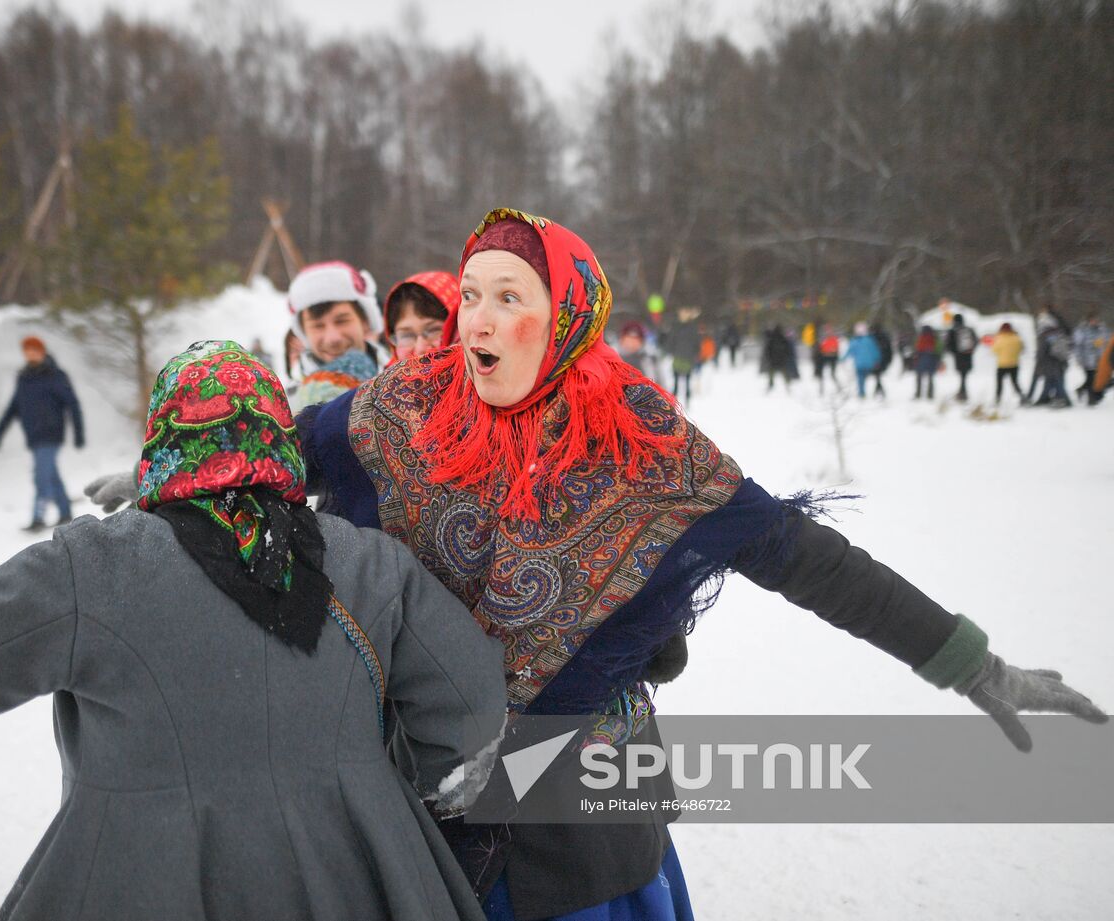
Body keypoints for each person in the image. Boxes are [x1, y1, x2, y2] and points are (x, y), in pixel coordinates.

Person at [85, 209, 1105, 920]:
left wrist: (969, 661)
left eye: (508, 296)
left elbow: (807, 559)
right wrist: (175, 484)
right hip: (417, 794)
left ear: (567, 312)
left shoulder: (648, 449)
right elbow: (271, 455)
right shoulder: (397, 408)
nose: (475, 321)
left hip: (580, 813)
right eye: (470, 294)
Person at [0, 341, 508, 921]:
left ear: (164, 438)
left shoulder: (97, 567)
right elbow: (468, 708)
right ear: (276, 434)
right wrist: (394, 795)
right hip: (360, 872)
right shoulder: (371, 564)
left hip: (141, 874)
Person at [0, 335, 84, 531]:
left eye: (34, 350)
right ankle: (65, 512)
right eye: (27, 351)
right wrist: (0, 431)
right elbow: (14, 406)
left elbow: (72, 404)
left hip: (51, 434)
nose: (31, 354)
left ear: (42, 351)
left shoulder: (56, 375)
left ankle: (38, 517)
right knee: (51, 475)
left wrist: (79, 433)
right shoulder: (24, 378)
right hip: (34, 436)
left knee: (41, 476)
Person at [286, 260, 384, 412]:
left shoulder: (402, 383)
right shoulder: (286, 407)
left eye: (342, 321)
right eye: (318, 326)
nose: (333, 338)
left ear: (365, 321)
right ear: (304, 333)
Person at [384, 270, 459, 365]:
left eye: (433, 330)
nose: (420, 349)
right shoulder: (384, 379)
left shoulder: (480, 377)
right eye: (406, 336)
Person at [1026, 308, 1073, 408]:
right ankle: (1045, 398)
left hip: (1050, 363)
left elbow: (1042, 351)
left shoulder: (1044, 335)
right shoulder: (1058, 332)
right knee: (1053, 381)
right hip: (1060, 361)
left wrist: (1038, 360)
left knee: (1057, 382)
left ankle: (1065, 400)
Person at [662, 313, 701, 403]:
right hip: (680, 357)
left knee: (686, 381)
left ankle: (685, 399)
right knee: (677, 381)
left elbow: (696, 343)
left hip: (687, 358)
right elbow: (671, 341)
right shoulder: (679, 327)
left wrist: (695, 353)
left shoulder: (690, 328)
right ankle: (674, 400)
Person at [1072, 313, 1109, 405]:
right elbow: (1077, 346)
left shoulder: (1101, 330)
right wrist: (1079, 358)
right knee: (1091, 379)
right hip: (1086, 360)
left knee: (1091, 379)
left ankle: (1080, 390)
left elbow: (1105, 343)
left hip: (1098, 360)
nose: (1095, 322)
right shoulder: (1082, 330)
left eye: (1096, 320)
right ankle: (1091, 399)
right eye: (1093, 320)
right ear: (1088, 320)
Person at [944, 313, 979, 402]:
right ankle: (962, 392)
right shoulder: (969, 329)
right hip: (967, 356)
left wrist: (954, 352)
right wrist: (970, 350)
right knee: (964, 375)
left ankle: (962, 394)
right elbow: (976, 341)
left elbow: (948, 344)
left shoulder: (953, 331)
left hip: (958, 357)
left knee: (962, 375)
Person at [843, 322, 882, 397]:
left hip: (860, 365)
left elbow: (850, 352)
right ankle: (871, 392)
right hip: (868, 364)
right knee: (873, 378)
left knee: (861, 380)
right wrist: (877, 360)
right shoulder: (870, 340)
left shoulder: (855, 341)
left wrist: (843, 359)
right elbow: (875, 351)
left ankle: (862, 393)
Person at [990, 321, 1024, 404]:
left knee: (999, 383)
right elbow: (1021, 349)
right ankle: (1022, 397)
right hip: (1014, 364)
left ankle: (998, 399)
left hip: (1002, 364)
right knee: (1015, 382)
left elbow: (994, 350)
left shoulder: (999, 338)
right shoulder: (1017, 338)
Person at [762, 324, 797, 392]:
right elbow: (788, 350)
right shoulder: (783, 339)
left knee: (771, 374)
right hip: (782, 360)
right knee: (784, 373)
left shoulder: (771, 339)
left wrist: (769, 358)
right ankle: (787, 385)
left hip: (773, 361)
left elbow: (767, 350)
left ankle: (771, 385)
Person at [912, 325, 941, 400]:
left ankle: (918, 393)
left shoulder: (921, 337)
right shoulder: (934, 338)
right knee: (930, 378)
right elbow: (938, 349)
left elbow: (917, 349)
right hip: (931, 360)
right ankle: (930, 394)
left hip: (921, 360)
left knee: (919, 378)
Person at [812, 323, 841, 393]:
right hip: (824, 357)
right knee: (822, 375)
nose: (827, 332)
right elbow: (819, 349)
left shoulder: (834, 339)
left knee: (832, 374)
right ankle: (821, 389)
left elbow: (836, 348)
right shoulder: (822, 339)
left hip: (832, 357)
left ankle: (838, 387)